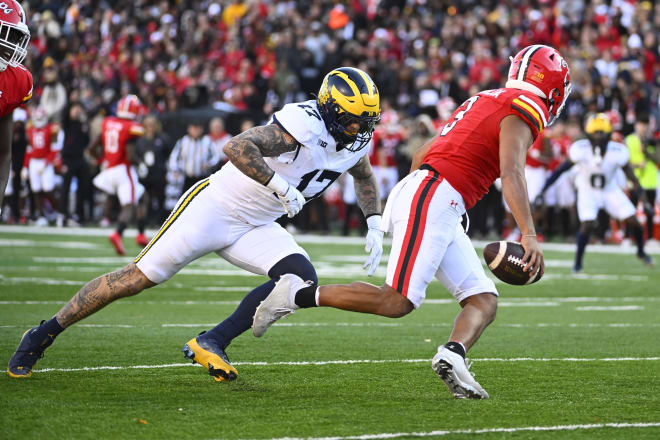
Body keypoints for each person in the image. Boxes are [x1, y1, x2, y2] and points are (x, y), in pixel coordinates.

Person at [7, 67, 383, 382]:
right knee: (135, 278)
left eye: (366, 121)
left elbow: (364, 175)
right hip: (217, 206)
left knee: (300, 280)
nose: (359, 129)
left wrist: (375, 222)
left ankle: (212, 341)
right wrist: (280, 185)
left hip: (259, 223)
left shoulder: (353, 142)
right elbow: (237, 147)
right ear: (329, 109)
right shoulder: (303, 124)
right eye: (352, 120)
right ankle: (43, 333)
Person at [253, 45, 572, 400]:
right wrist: (528, 234)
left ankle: (452, 356)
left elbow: (422, 153)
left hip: (435, 194)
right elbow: (511, 172)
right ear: (554, 89)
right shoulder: (525, 108)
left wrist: (426, 200)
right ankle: (294, 295)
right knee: (397, 301)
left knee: (483, 299)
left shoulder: (488, 98)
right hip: (436, 193)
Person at [538, 113, 653, 272]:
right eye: (595, 133)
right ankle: (577, 263)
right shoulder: (580, 149)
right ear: (589, 134)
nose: (598, 137)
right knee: (587, 225)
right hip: (588, 191)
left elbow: (633, 178)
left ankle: (641, 252)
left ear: (608, 133)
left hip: (609, 190)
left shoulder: (617, 151)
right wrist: (543, 189)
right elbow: (560, 171)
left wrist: (644, 200)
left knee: (634, 222)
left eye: (601, 133)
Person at [89, 94, 149, 255]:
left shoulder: (108, 122)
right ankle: (118, 233)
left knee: (142, 197)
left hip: (110, 168)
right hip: (123, 169)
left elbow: (92, 148)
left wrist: (102, 159)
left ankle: (141, 234)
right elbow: (129, 155)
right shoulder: (131, 126)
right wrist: (140, 163)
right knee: (129, 204)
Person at [0, 0, 32, 211]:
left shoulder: (16, 81)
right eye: (7, 34)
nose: (13, 44)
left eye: (17, 37)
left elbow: (3, 154)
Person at [24, 107, 63, 225]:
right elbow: (29, 150)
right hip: (34, 162)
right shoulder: (30, 130)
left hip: (45, 163)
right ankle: (41, 216)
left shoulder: (51, 130)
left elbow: (55, 150)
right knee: (36, 190)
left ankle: (60, 212)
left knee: (48, 190)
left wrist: (46, 163)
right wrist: (25, 166)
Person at [168, 121, 217, 195]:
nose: (195, 131)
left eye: (198, 128)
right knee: (186, 198)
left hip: (202, 177)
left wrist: (209, 164)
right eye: (193, 128)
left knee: (202, 197)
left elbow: (215, 156)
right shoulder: (183, 141)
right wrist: (175, 169)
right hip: (186, 177)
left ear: (202, 129)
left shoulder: (207, 141)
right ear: (189, 129)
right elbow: (174, 157)